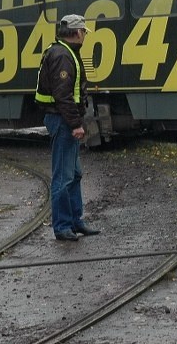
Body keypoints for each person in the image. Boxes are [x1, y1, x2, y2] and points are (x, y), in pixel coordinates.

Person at [35, 14, 101, 241]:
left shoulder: (63, 51)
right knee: (63, 177)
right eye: (83, 31)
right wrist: (75, 125)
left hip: (63, 119)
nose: (84, 35)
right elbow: (63, 96)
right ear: (77, 32)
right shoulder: (63, 56)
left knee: (74, 174)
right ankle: (63, 226)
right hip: (62, 121)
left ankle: (75, 221)